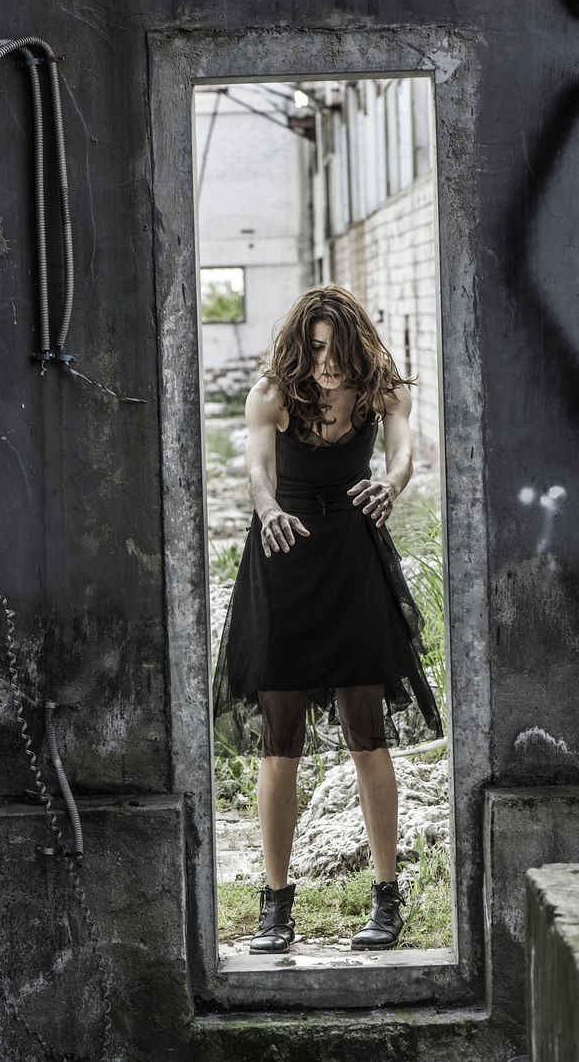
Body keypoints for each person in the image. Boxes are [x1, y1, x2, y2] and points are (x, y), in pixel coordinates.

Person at [214, 284, 442, 955]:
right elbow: (258, 473)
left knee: (366, 732)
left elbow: (402, 456)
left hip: (352, 559)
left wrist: (391, 484)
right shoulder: (271, 395)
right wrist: (269, 510)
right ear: (300, 347)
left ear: (356, 345)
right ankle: (274, 908)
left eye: (337, 348)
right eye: (315, 349)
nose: (328, 362)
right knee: (279, 739)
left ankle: (386, 898)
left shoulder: (380, 391)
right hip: (284, 558)